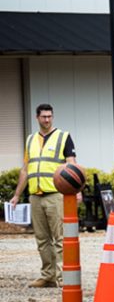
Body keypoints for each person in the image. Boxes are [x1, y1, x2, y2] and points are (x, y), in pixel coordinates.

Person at [9, 103, 77, 288]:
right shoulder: (30, 140)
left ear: (52, 117)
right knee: (42, 239)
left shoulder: (63, 137)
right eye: (43, 116)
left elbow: (72, 165)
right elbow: (25, 170)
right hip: (35, 196)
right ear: (37, 118)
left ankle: (63, 278)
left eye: (49, 116)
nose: (47, 120)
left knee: (60, 238)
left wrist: (75, 190)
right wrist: (17, 195)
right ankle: (48, 276)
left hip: (56, 195)